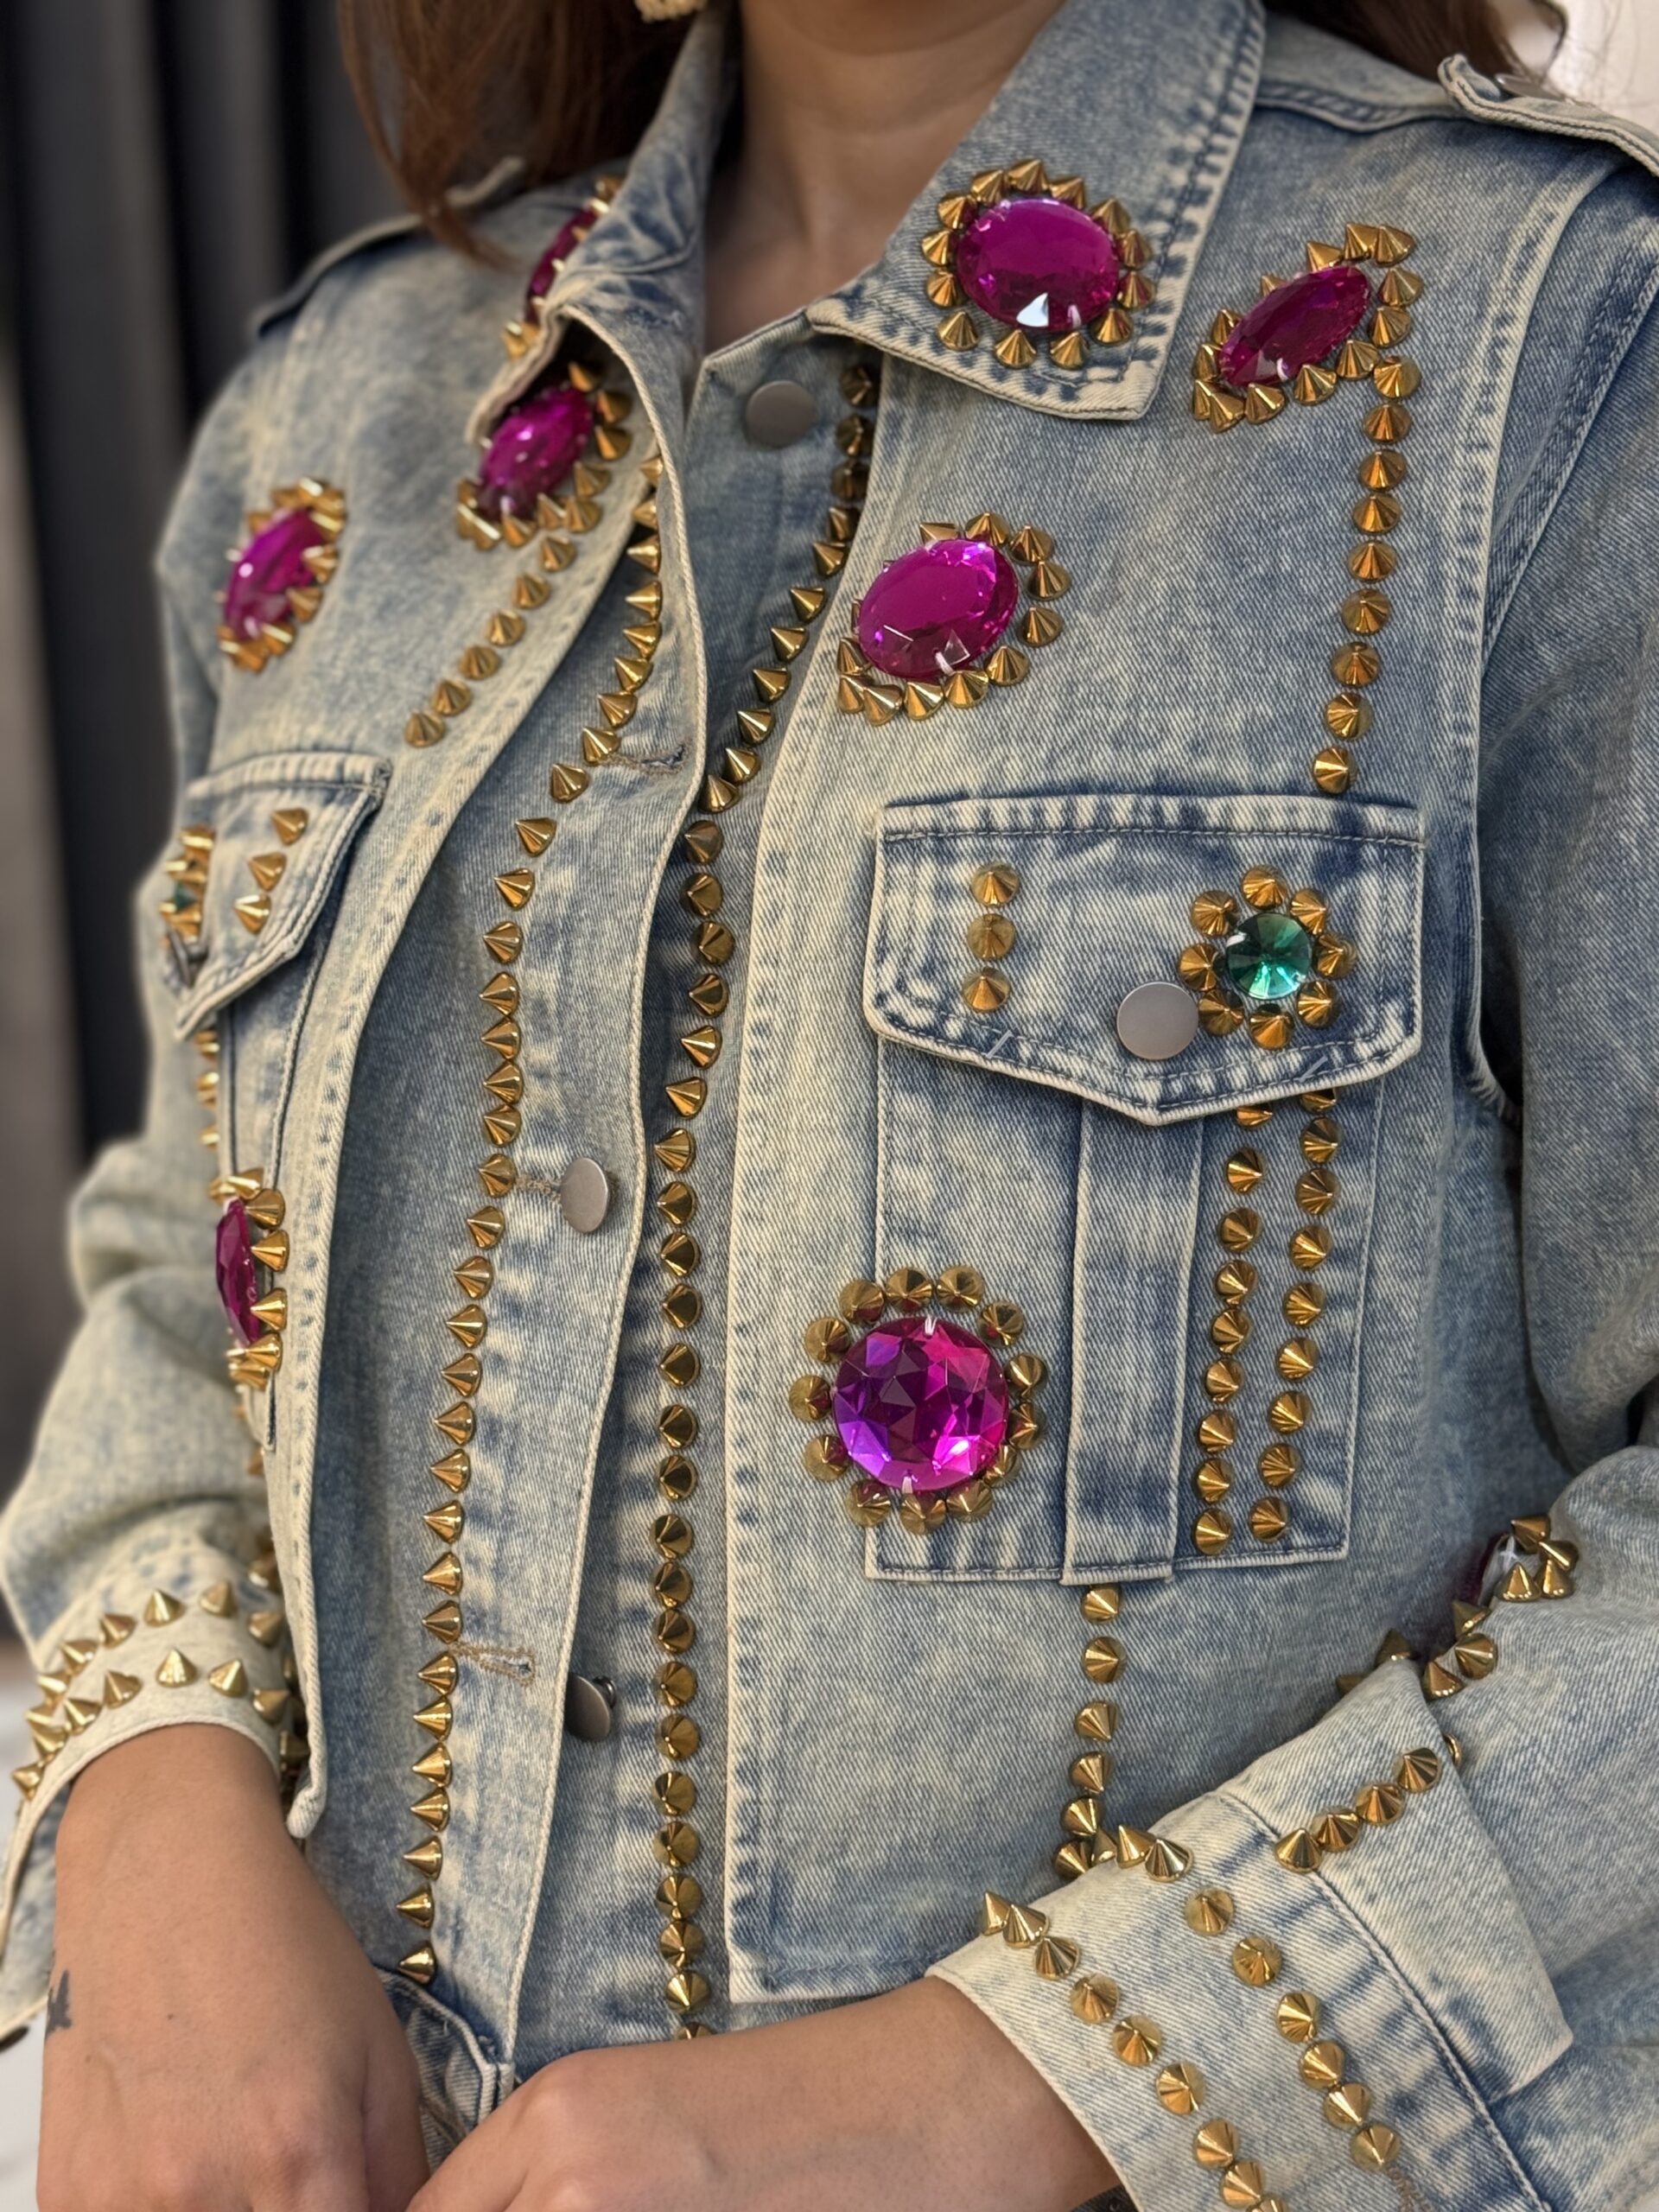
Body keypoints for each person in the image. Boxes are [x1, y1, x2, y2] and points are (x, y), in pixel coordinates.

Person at [5, 0, 1657, 2203]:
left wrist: (1032, 2080)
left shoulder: (1553, 364)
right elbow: (193, 1261)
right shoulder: (348, 407)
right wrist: (148, 1807)